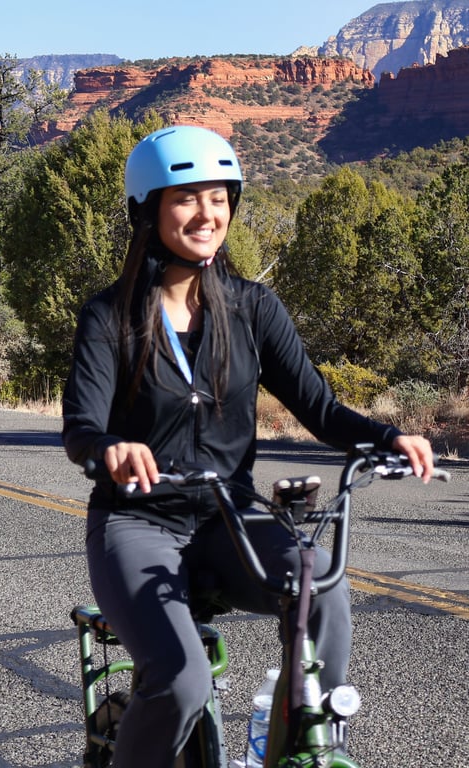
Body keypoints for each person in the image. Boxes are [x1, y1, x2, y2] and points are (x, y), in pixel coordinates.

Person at [61, 125, 435, 768]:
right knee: (181, 681)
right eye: (186, 198)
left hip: (230, 518)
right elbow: (80, 428)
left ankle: (311, 748)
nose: (207, 214)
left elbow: (319, 408)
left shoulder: (252, 307)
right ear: (148, 211)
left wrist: (387, 437)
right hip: (137, 521)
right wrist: (111, 449)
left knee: (322, 586)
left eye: (219, 198)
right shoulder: (109, 316)